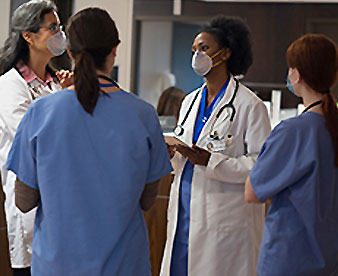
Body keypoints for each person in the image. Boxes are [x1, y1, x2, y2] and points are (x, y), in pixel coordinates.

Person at [6, 7, 172, 276]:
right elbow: (147, 200)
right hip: (123, 265)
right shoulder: (142, 115)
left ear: (70, 52)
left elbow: (24, 201)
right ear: (114, 50)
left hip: (57, 265)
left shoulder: (41, 112)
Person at [160, 15, 271, 276]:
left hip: (224, 222)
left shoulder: (249, 105)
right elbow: (185, 151)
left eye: (204, 48)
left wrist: (211, 161)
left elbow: (261, 166)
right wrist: (173, 153)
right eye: (194, 50)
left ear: (227, 53)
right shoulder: (189, 102)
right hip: (185, 212)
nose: (196, 55)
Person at [245, 34, 338, 276]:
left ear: (296, 74)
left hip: (288, 261)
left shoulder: (293, 131)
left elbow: (253, 192)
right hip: (329, 260)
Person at [0, 1, 68, 275]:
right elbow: (36, 140)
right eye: (52, 28)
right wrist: (67, 100)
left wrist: (67, 94)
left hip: (63, 199)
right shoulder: (9, 85)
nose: (59, 34)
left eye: (59, 27)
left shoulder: (57, 83)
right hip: (29, 203)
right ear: (28, 36)